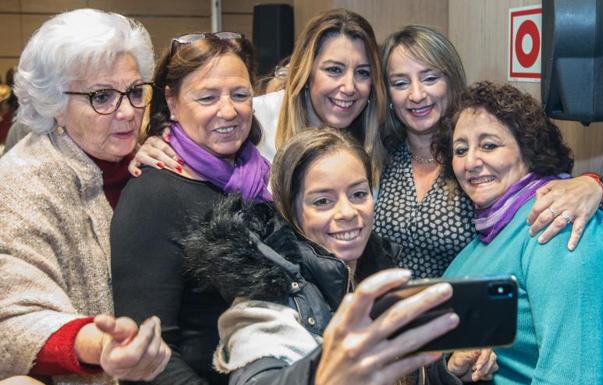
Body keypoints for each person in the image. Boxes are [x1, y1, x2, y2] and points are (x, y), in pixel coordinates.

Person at [182, 129, 498, 385]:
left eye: (359, 194)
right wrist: (324, 374)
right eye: (322, 201)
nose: (348, 212)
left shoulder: (380, 273)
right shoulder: (264, 295)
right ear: (291, 211)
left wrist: (449, 371)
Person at [0, 8, 170, 384]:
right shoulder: (20, 184)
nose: (127, 112)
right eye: (102, 97)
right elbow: (13, 318)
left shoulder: (154, 157)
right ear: (54, 105)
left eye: (135, 92)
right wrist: (97, 344)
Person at [374, 25, 603, 278]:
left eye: (430, 78)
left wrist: (597, 187)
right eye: (400, 83)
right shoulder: (380, 156)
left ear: (451, 82)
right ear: (387, 93)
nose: (417, 94)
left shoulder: (485, 162)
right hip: (389, 311)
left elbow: (558, 196)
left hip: (467, 311)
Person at [435, 81, 603, 384]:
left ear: (528, 148)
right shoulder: (489, 233)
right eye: (460, 149)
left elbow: (571, 377)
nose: (470, 162)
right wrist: (453, 363)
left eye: (489, 145)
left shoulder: (559, 222)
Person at [111, 31, 271, 385]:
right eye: (208, 96)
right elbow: (149, 355)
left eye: (240, 95)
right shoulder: (154, 195)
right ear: (172, 101)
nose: (228, 110)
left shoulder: (254, 177)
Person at [129, 8, 387, 181]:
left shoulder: (382, 135)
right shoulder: (253, 116)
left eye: (363, 73)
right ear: (305, 72)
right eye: (334, 70)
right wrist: (158, 144)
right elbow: (195, 136)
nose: (350, 87)